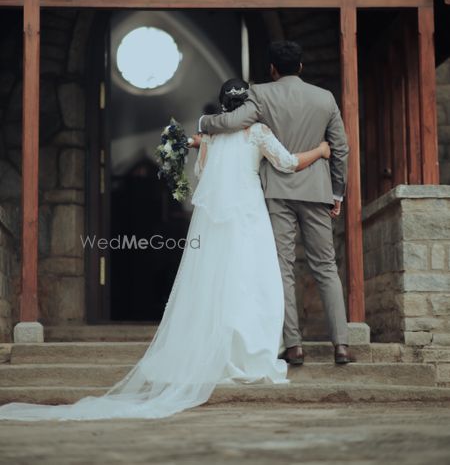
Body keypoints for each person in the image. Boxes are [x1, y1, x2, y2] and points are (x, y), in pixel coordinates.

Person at [0, 78, 330, 421]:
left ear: (223, 105)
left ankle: (219, 354)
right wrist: (321, 151)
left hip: (218, 220)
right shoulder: (258, 132)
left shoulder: (211, 136)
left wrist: (205, 147)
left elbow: (201, 174)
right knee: (252, 281)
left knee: (215, 282)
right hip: (249, 215)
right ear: (248, 105)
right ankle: (248, 355)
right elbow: (288, 162)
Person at [199, 41, 351, 365]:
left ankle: (294, 345)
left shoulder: (261, 93)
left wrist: (203, 124)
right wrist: (337, 192)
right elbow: (340, 148)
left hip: (277, 192)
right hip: (317, 191)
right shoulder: (324, 98)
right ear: (301, 66)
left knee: (283, 268)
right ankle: (341, 344)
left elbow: (232, 122)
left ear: (272, 69)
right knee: (326, 267)